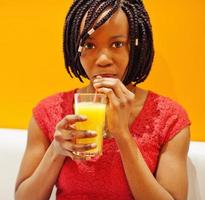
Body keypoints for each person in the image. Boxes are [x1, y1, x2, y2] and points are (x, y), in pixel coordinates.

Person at [15, 0, 191, 199]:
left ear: (135, 46)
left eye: (117, 44)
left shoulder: (169, 119)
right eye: (89, 45)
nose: (103, 59)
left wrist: (123, 135)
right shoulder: (48, 112)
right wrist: (56, 151)